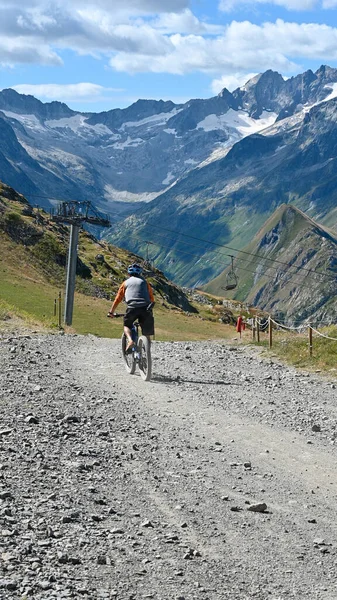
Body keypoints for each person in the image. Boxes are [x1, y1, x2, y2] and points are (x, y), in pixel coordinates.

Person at [107, 263, 155, 351]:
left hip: (132, 308)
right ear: (140, 273)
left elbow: (118, 299)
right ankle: (147, 353)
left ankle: (130, 341)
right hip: (146, 308)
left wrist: (111, 312)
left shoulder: (125, 283)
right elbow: (151, 298)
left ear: (129, 274)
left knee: (127, 325)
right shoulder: (145, 282)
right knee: (146, 334)